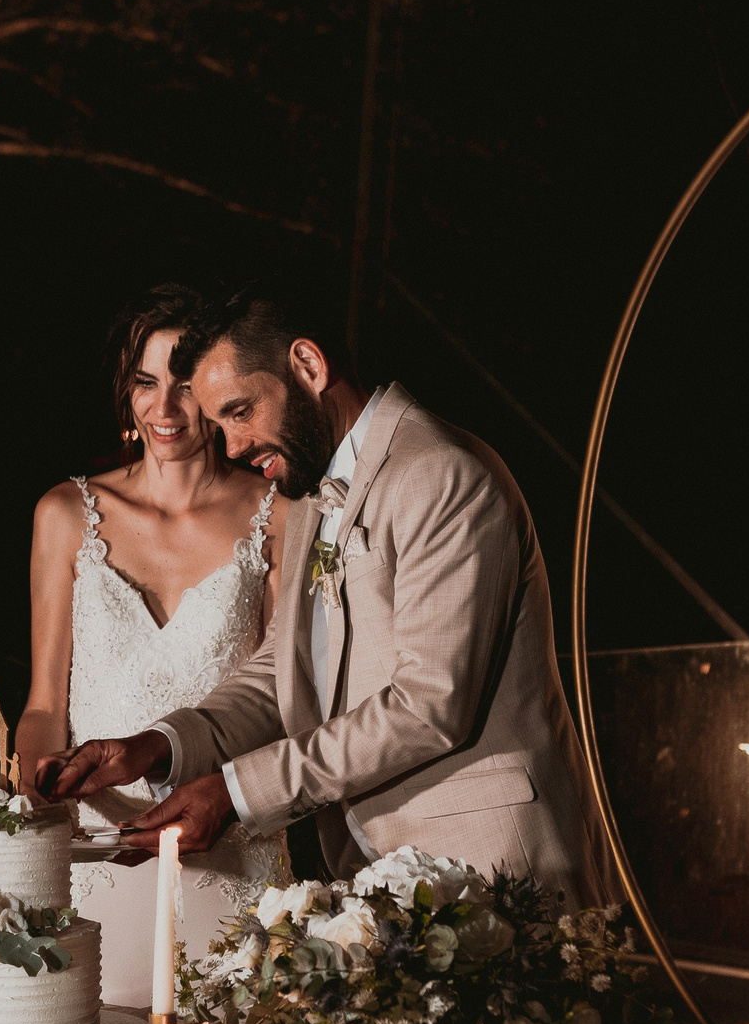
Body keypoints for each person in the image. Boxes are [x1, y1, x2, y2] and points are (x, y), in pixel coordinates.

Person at [35, 287, 601, 894]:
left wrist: (234, 791)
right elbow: (278, 672)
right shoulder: (310, 499)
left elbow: (429, 707)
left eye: (240, 411)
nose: (231, 446)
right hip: (386, 873)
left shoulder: (441, 473)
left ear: (308, 366)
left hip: (496, 871)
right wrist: (156, 747)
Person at [16, 285, 294, 1008]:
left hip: (231, 854)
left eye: (183, 384)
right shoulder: (64, 513)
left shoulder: (281, 517)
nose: (164, 408)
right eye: (146, 382)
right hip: (100, 856)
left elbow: (285, 696)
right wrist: (42, 800)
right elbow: (45, 704)